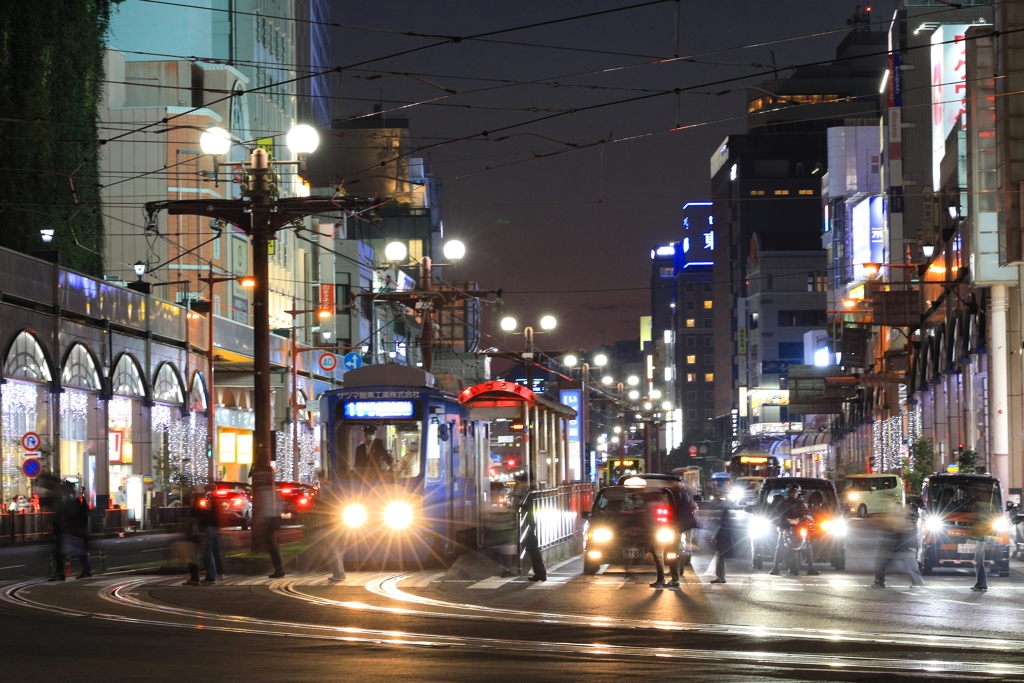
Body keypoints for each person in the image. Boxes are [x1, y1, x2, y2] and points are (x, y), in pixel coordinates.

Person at [768, 483, 819, 577]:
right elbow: (778, 514)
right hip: (786, 527)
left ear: (798, 492)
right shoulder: (783, 504)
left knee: (808, 545)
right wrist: (779, 520)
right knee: (780, 545)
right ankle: (775, 567)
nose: (794, 494)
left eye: (795, 492)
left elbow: (809, 515)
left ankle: (811, 567)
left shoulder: (803, 504)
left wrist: (806, 517)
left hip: (800, 527)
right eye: (792, 492)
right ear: (789, 493)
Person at [873, 500, 924, 588]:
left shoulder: (904, 512)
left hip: (900, 538)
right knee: (882, 560)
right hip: (894, 538)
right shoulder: (896, 512)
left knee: (906, 561)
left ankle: (880, 581)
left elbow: (904, 525)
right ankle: (879, 581)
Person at [305, 485, 346, 584]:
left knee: (332, 552)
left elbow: (326, 516)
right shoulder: (334, 502)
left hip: (330, 529)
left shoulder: (327, 503)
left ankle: (338, 574)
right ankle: (339, 573)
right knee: (334, 551)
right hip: (334, 529)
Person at [518, 480, 546, 582]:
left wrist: (520, 506)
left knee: (533, 551)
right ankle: (540, 573)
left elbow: (529, 509)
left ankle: (540, 574)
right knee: (533, 551)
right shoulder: (533, 495)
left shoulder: (531, 495)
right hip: (530, 526)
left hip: (529, 526)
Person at [196, 486, 222, 584]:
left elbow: (209, 515)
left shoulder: (211, 501)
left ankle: (211, 576)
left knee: (208, 553)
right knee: (213, 551)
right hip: (212, 528)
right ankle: (218, 571)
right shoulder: (213, 501)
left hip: (209, 528)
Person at [710, 508, 736, 584]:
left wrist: (714, 538)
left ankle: (720, 577)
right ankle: (721, 577)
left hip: (721, 542)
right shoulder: (729, 523)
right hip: (726, 542)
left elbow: (717, 531)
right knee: (721, 559)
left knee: (719, 560)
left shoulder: (722, 523)